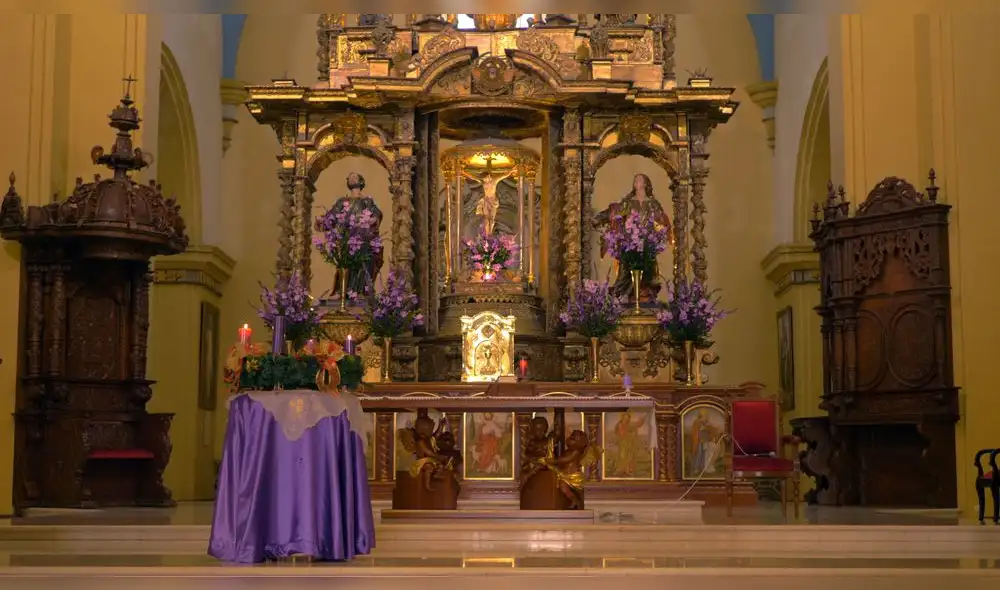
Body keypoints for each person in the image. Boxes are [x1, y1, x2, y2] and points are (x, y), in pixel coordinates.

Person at [594, 173, 673, 301]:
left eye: (639, 180)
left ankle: (645, 295)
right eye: (635, 180)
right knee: (626, 271)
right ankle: (623, 294)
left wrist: (660, 232)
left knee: (648, 272)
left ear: (646, 184)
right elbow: (616, 212)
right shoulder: (628, 202)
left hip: (647, 243)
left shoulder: (653, 203)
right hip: (630, 243)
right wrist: (601, 218)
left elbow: (661, 220)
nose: (636, 182)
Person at [329, 172, 383, 297]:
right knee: (347, 264)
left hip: (364, 239)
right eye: (350, 177)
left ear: (361, 181)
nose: (352, 178)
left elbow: (376, 213)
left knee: (363, 265)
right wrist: (322, 220)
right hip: (347, 240)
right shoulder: (342, 201)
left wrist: (373, 219)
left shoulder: (367, 201)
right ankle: (344, 292)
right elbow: (332, 216)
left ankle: (360, 291)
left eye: (355, 176)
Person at [610, 410, 647, 477]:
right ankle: (619, 470)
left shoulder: (630, 424)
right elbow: (621, 433)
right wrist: (629, 432)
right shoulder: (620, 424)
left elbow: (638, 425)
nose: (626, 419)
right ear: (623, 417)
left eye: (628, 418)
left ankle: (628, 471)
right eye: (625, 417)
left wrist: (642, 419)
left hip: (630, 443)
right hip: (623, 443)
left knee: (630, 457)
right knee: (622, 456)